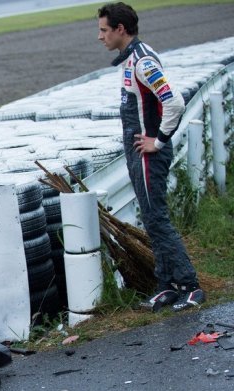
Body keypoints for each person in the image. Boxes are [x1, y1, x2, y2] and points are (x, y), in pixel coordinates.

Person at [97, 2, 204, 312]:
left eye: (103, 30)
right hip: (138, 152)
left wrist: (158, 141)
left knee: (156, 218)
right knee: (151, 218)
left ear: (120, 29)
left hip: (148, 154)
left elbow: (175, 102)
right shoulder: (131, 59)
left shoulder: (143, 63)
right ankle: (167, 286)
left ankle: (191, 286)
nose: (99, 37)